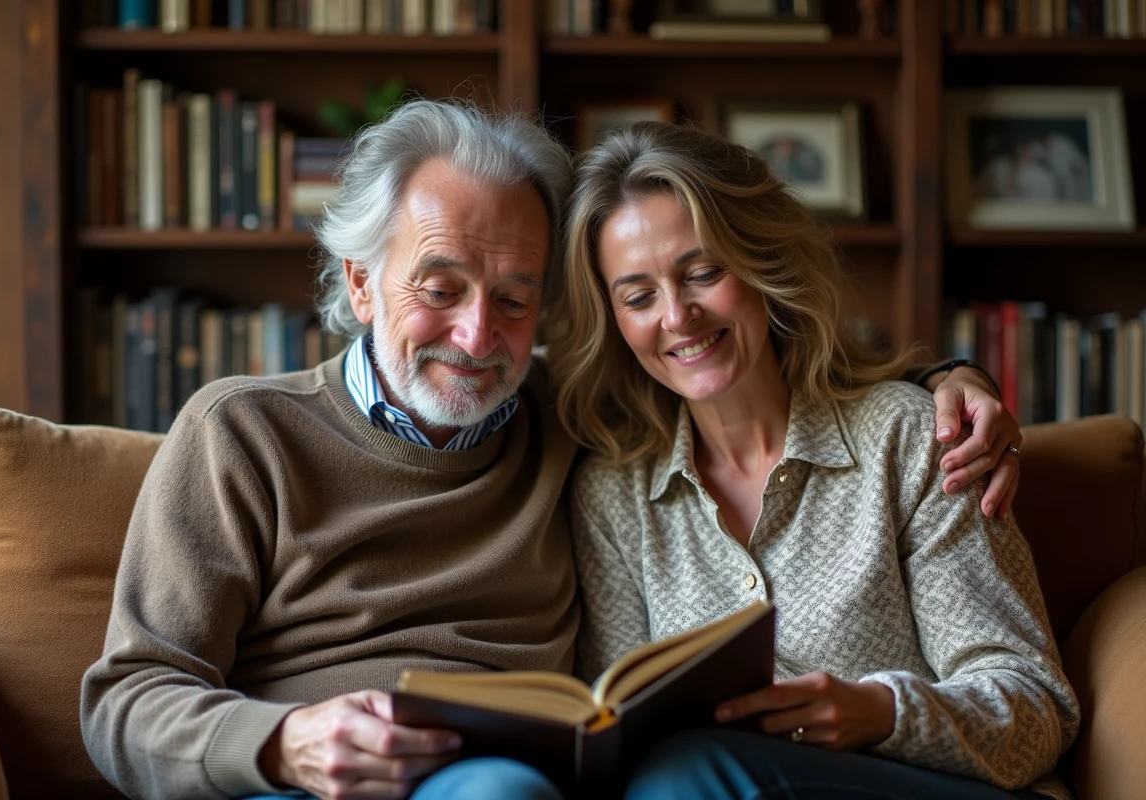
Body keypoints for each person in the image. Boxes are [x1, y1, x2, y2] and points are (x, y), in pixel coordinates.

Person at [80, 100, 1022, 800]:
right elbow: (121, 703)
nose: (478, 333)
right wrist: (284, 742)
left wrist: (953, 378)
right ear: (362, 284)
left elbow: (731, 364)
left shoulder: (575, 431)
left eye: (516, 298)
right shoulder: (242, 432)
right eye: (439, 286)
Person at [547, 122, 1078, 800]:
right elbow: (613, 730)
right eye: (638, 296)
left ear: (763, 265)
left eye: (703, 272)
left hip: (919, 785)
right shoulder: (613, 495)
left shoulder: (910, 437)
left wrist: (881, 712)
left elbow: (1036, 709)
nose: (677, 316)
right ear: (614, 321)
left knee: (688, 772)